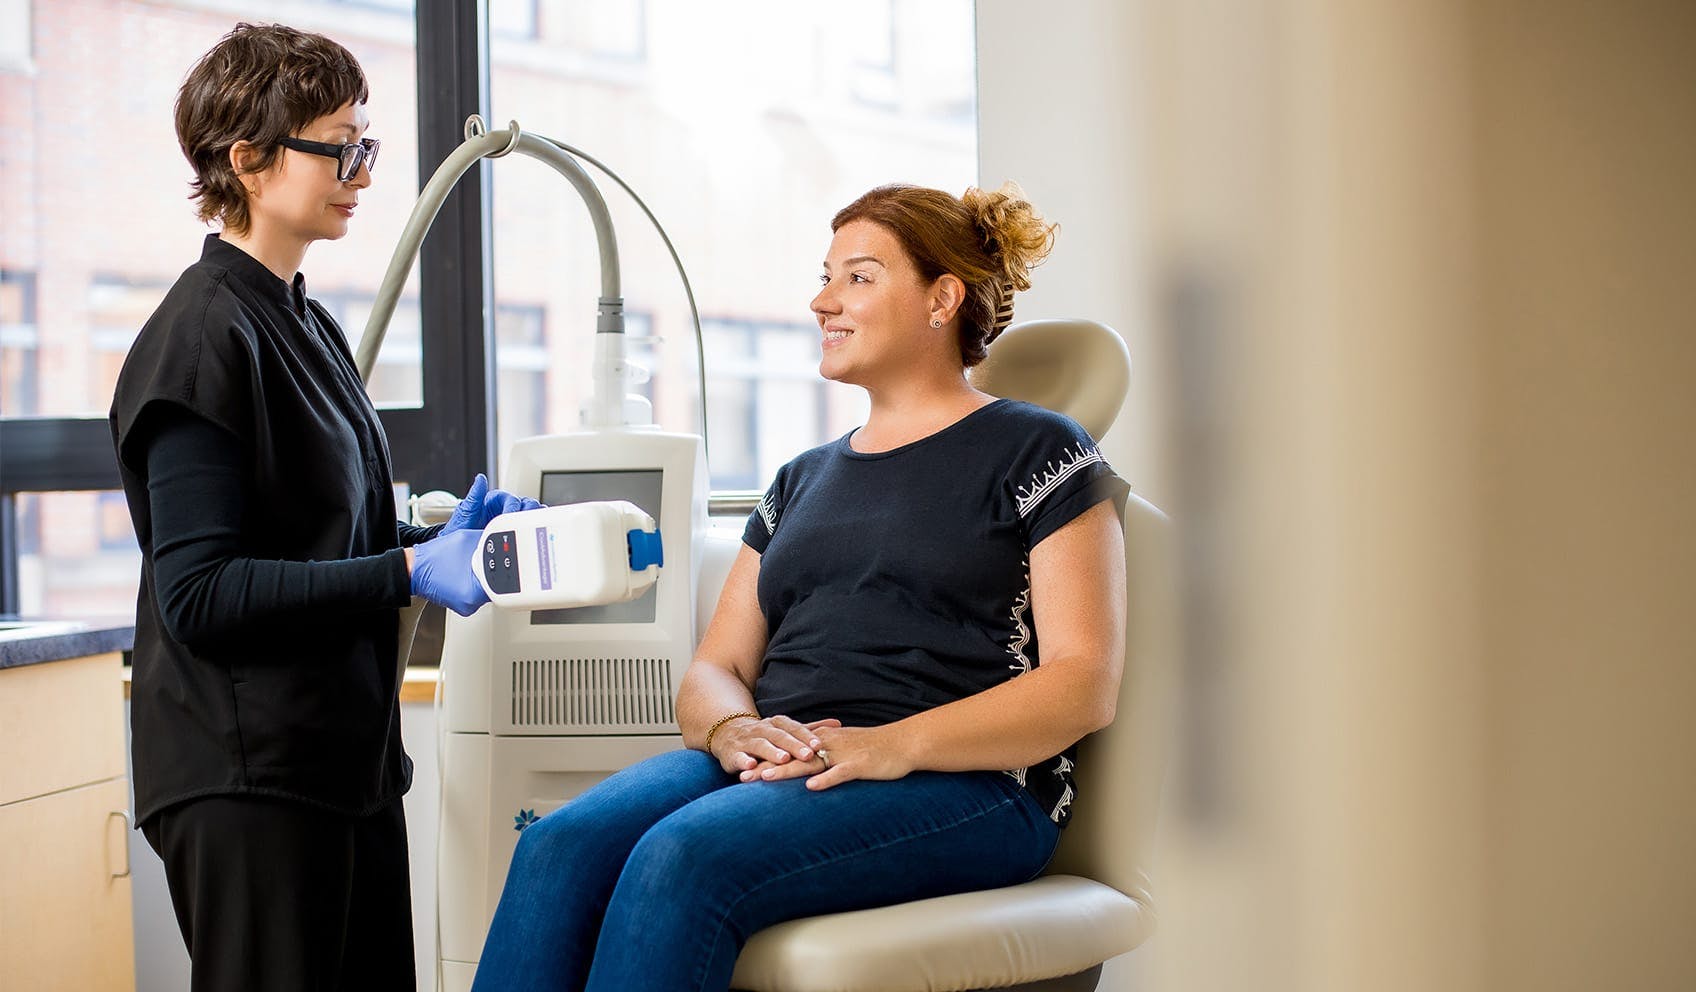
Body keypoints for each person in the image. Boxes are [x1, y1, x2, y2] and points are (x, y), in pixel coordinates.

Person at [470, 182, 1130, 991]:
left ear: (942, 299)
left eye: (857, 276)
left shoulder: (1038, 450)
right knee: (557, 848)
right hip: (789, 758)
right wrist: (729, 732)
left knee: (684, 857)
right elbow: (716, 668)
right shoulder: (799, 479)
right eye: (825, 276)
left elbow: (1081, 683)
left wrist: (886, 746)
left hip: (968, 784)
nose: (823, 300)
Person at [109, 23, 513, 991]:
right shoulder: (202, 339)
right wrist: (407, 570)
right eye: (339, 146)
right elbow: (201, 591)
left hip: (341, 765)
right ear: (246, 159)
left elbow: (316, 535)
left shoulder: (297, 317)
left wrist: (438, 538)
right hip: (248, 772)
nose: (362, 174)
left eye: (364, 147)